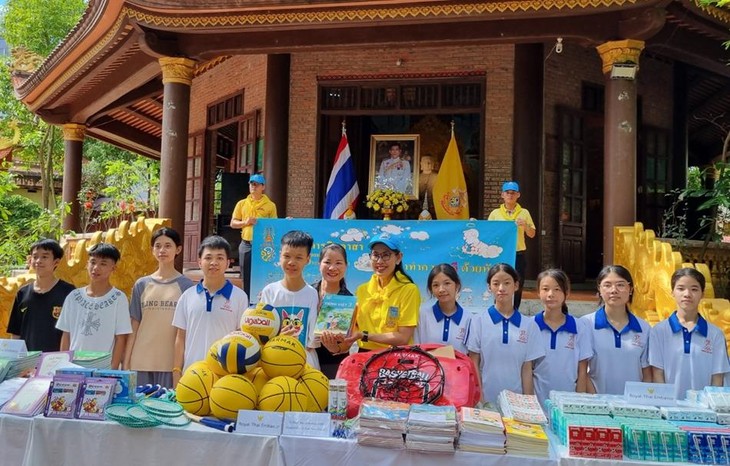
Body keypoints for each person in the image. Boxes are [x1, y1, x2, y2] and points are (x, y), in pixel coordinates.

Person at [322, 232, 419, 353]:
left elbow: (403, 338)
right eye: (375, 255)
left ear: (398, 257)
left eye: (386, 255)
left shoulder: (408, 290)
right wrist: (334, 345)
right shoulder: (362, 290)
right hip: (364, 357)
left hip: (396, 358)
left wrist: (365, 335)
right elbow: (351, 334)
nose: (380, 261)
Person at [172, 236, 247, 385]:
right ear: (200, 262)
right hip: (191, 376)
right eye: (208, 258)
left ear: (228, 263)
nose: (213, 263)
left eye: (220, 258)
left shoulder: (240, 297)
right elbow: (180, 338)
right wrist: (176, 372)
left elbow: (242, 339)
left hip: (225, 378)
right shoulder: (187, 296)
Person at [124, 228, 194, 388]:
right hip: (140, 363)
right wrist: (126, 363)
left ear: (178, 249)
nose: (162, 250)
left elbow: (185, 331)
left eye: (168, 245)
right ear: (152, 250)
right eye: (158, 246)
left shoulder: (187, 286)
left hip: (170, 365)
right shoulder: (141, 284)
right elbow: (134, 326)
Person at [466, 263, 544, 404]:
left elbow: (527, 369)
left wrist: (528, 403)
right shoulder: (478, 321)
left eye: (507, 283)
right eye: (496, 284)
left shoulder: (529, 325)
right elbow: (474, 362)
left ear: (516, 285)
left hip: (517, 403)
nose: (501, 288)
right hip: (486, 401)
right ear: (489, 287)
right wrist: (480, 399)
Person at [650, 268, 730, 398]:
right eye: (681, 288)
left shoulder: (715, 334)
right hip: (669, 408)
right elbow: (657, 374)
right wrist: (665, 404)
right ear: (672, 292)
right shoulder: (658, 331)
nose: (687, 294)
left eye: (694, 289)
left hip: (704, 411)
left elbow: (717, 378)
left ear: (702, 293)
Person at [56, 243, 132, 370]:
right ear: (87, 264)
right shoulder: (73, 297)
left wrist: (112, 369)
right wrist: (65, 366)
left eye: (103, 264)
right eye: (93, 262)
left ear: (113, 268)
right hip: (74, 367)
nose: (96, 268)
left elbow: (120, 338)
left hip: (103, 369)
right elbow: (66, 335)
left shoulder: (119, 298)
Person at [581, 265, 651, 394]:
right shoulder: (586, 324)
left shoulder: (644, 328)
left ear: (630, 289)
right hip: (597, 404)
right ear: (599, 290)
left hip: (633, 407)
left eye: (620, 285)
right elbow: (581, 369)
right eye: (607, 285)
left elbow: (647, 372)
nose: (614, 290)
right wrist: (596, 400)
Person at [260, 230, 321, 369]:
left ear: (308, 259)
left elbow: (312, 341)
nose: (292, 262)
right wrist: (277, 337)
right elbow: (262, 332)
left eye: (299, 257)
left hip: (305, 363)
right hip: (274, 360)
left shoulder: (312, 294)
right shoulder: (269, 292)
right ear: (279, 256)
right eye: (287, 256)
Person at [532, 268, 591, 408]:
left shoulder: (579, 327)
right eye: (545, 289)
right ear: (538, 292)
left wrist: (579, 402)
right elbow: (527, 369)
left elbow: (582, 370)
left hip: (568, 403)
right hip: (537, 402)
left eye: (557, 289)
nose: (551, 294)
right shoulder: (531, 325)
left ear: (567, 293)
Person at [8, 239, 75, 352]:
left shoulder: (69, 292)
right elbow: (16, 333)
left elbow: (73, 332)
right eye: (35, 257)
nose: (38, 261)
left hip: (55, 360)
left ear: (56, 262)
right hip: (26, 362)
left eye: (44, 257)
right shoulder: (22, 293)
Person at [488, 181, 536, 310]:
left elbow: (532, 234)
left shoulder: (524, 213)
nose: (510, 195)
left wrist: (525, 225)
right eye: (507, 193)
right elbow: (488, 233)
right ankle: (498, 308)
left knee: (517, 283)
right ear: (502, 195)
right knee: (498, 282)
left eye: (513, 193)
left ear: (518, 195)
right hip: (500, 254)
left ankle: (515, 310)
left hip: (518, 253)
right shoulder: (495, 214)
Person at [230, 173, 278, 300]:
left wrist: (287, 222)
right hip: (246, 243)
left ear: (263, 187)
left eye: (256, 184)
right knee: (246, 274)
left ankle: (263, 299)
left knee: (264, 273)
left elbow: (274, 225)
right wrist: (245, 222)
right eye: (251, 184)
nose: (253, 187)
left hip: (263, 245)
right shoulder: (242, 204)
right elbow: (233, 223)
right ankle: (246, 300)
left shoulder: (270, 205)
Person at [311, 243, 352, 378]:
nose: (332, 268)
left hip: (333, 364)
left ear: (346, 266)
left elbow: (349, 341)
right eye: (327, 262)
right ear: (319, 264)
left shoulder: (349, 301)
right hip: (307, 359)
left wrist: (336, 349)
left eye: (338, 263)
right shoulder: (308, 292)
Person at [414, 263, 471, 355]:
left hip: (459, 369)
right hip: (426, 368)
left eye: (447, 283)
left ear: (456, 285)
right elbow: (416, 350)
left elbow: (471, 356)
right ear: (431, 289)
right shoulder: (422, 315)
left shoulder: (469, 319)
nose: (441, 289)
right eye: (436, 285)